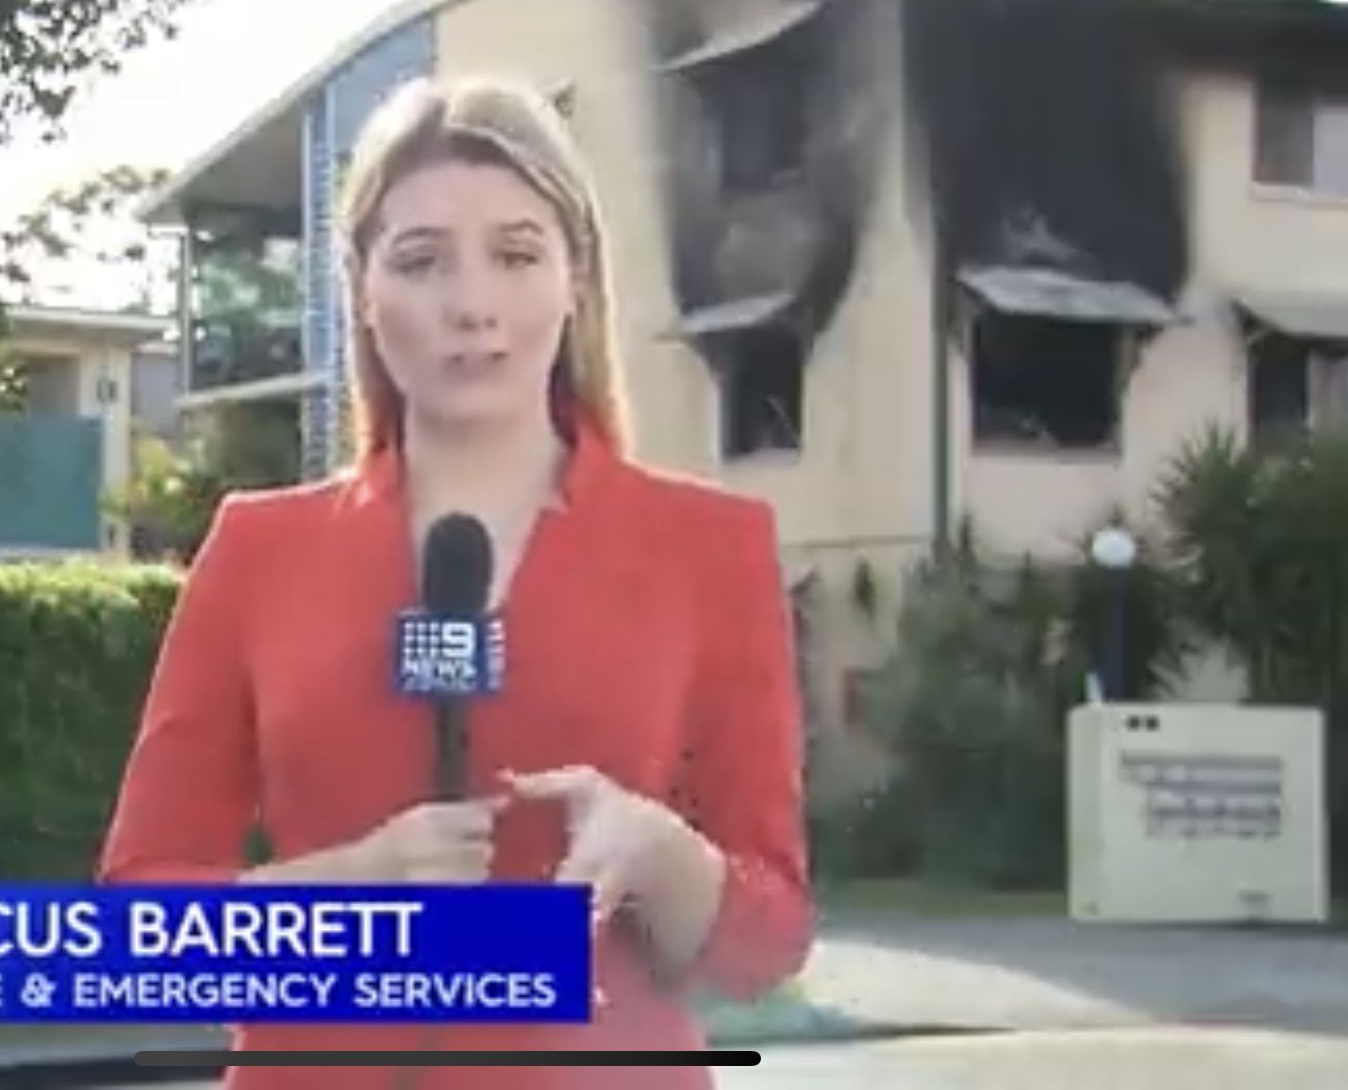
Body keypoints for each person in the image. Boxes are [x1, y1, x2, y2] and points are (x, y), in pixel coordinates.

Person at [98, 74, 813, 1089]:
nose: (472, 305)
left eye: (515, 255)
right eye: (422, 260)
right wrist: (347, 889)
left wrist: (660, 853)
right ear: (362, 288)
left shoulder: (710, 548)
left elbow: (767, 938)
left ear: (575, 277)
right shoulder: (258, 550)